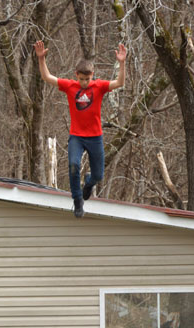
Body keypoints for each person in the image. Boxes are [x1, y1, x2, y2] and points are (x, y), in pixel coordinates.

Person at [34, 40, 127, 218]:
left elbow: (119, 83)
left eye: (87, 79)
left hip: (95, 137)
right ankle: (77, 200)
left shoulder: (99, 87)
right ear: (76, 75)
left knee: (98, 176)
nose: (84, 82)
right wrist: (41, 59)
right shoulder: (70, 86)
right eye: (81, 79)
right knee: (73, 165)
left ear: (92, 75)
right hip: (77, 136)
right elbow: (47, 77)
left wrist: (122, 63)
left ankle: (88, 184)